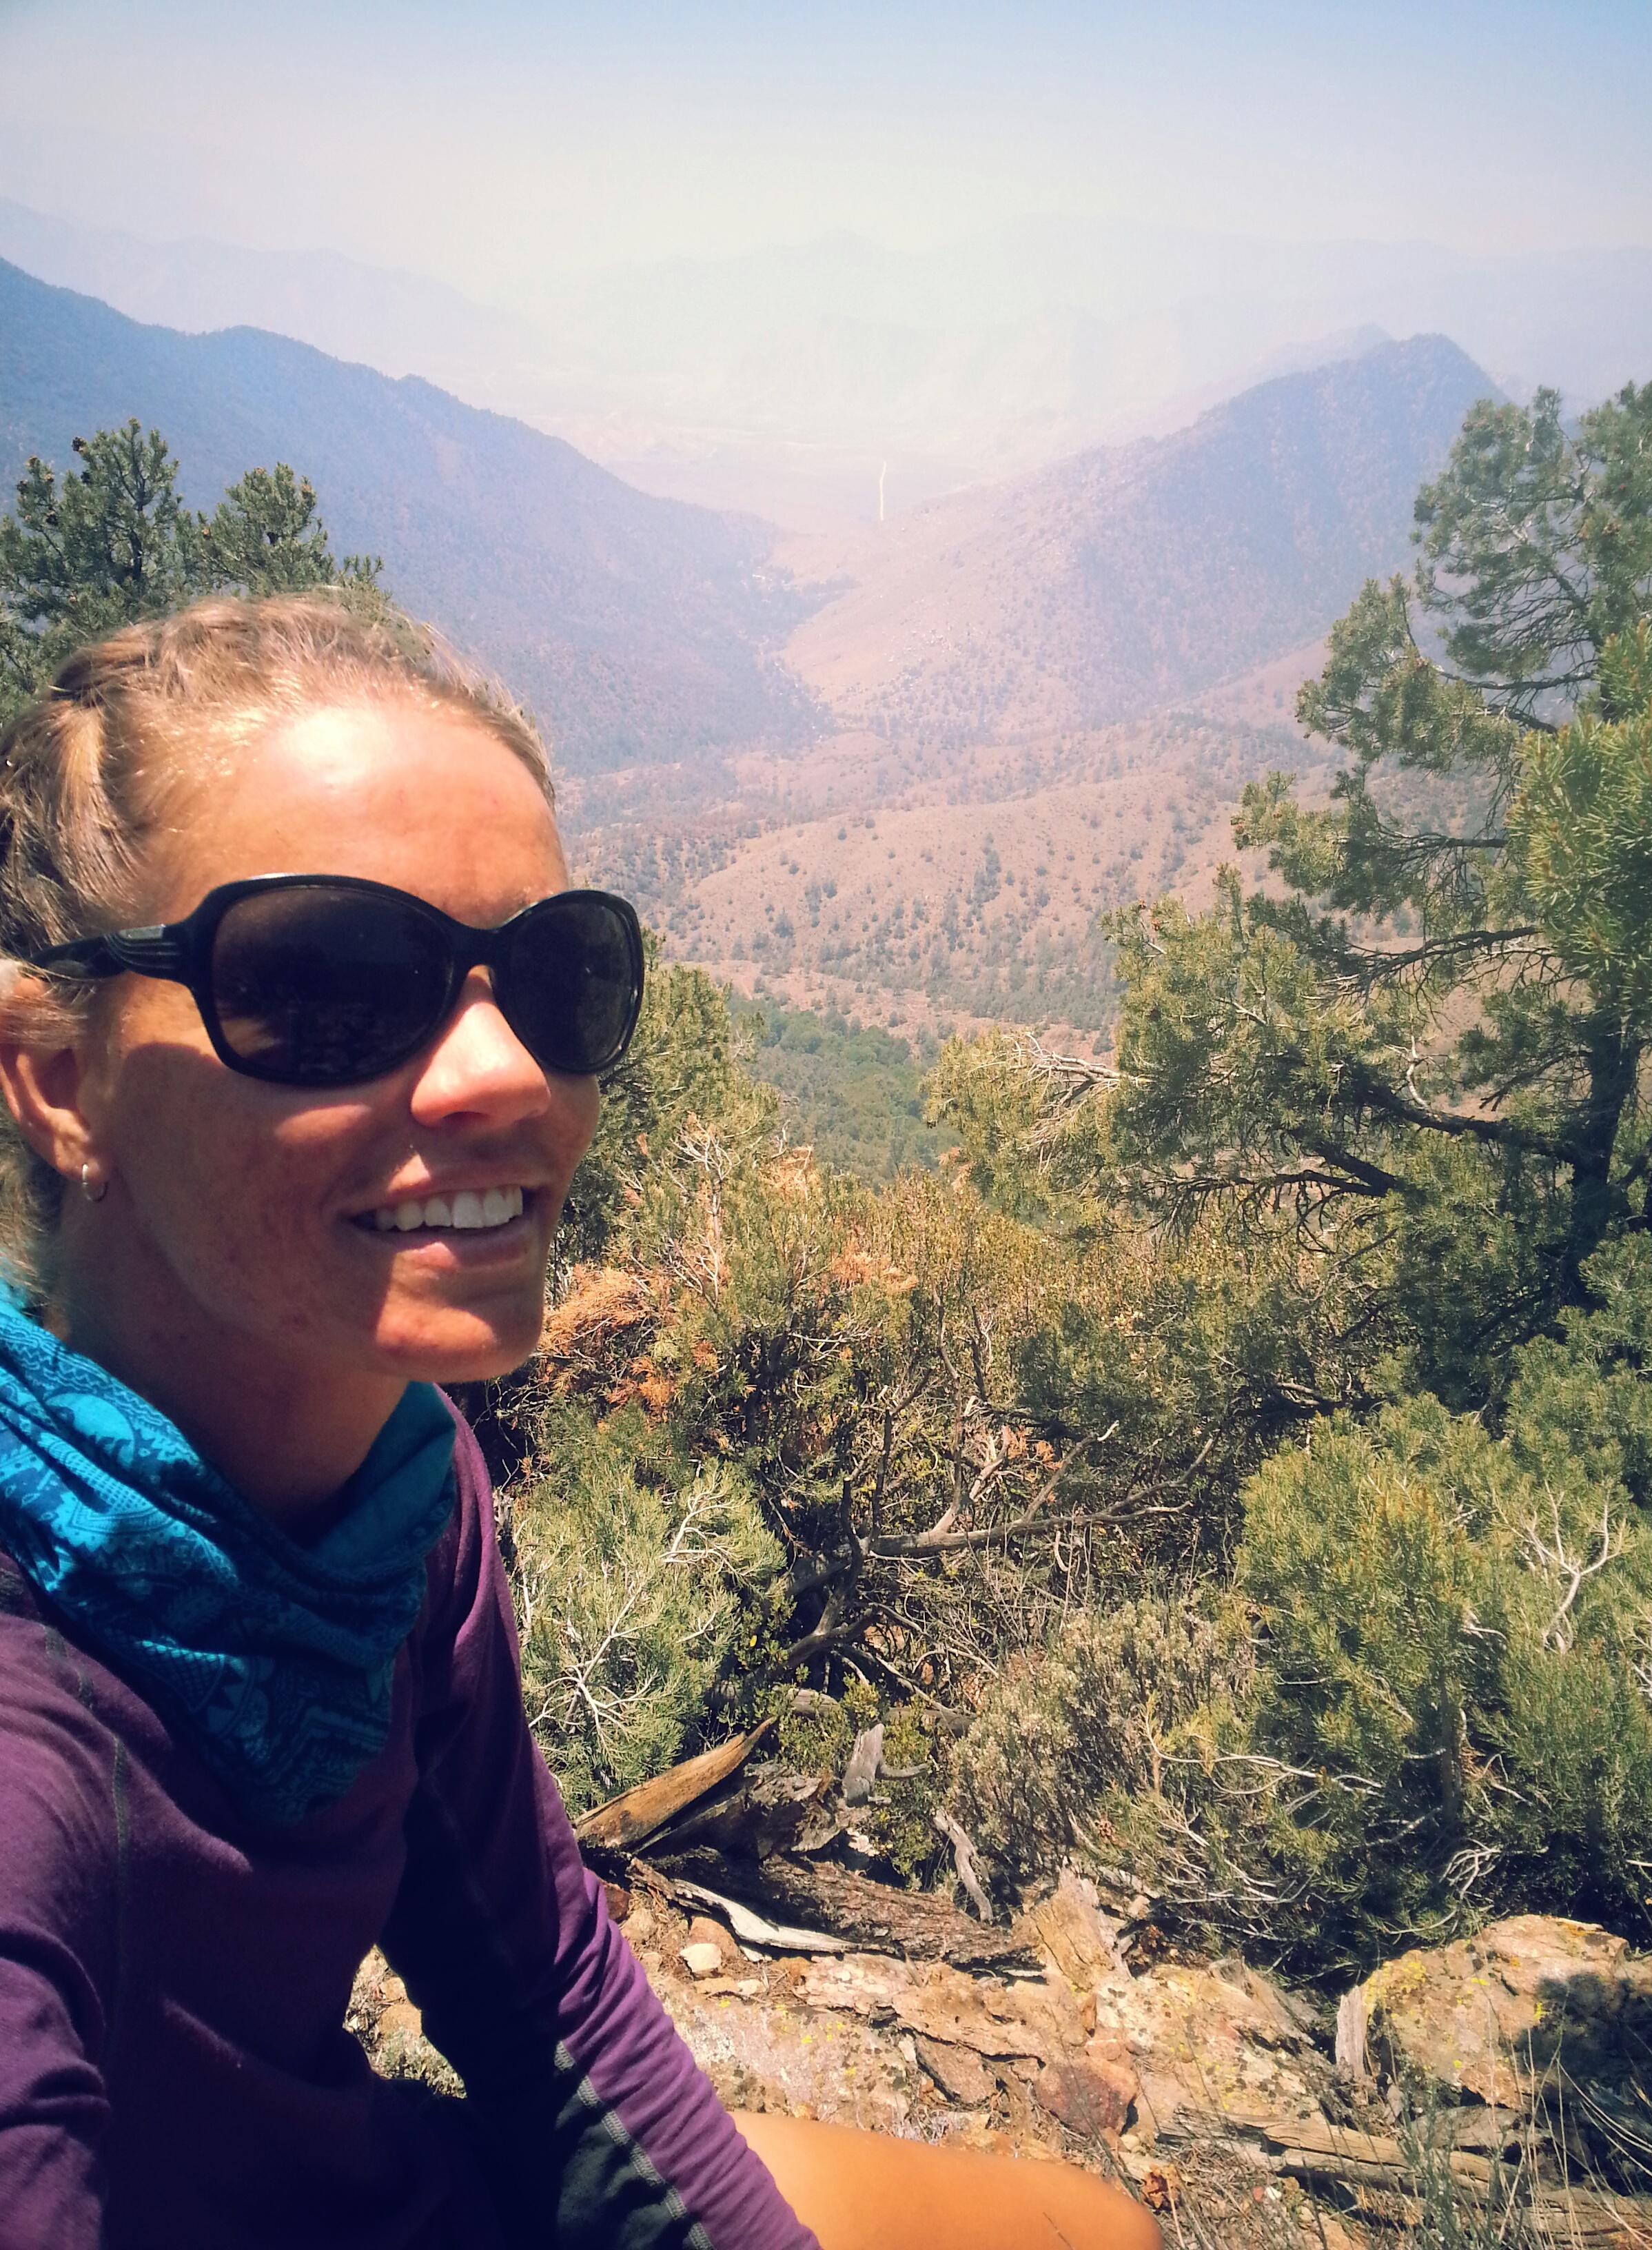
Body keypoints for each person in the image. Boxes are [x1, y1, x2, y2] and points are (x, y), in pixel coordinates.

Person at [0, 596, 1161, 2250]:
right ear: (57, 1076)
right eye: (327, 985)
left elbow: (542, 1991)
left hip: (350, 2185)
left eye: (553, 979)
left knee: (1090, 2230)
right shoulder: (36, 1732)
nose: (503, 1074)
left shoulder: (396, 1496)